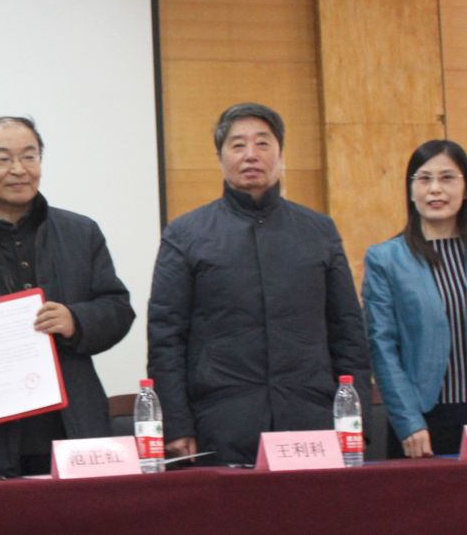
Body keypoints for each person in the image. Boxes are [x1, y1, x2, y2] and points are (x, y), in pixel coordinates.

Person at [147, 102, 371, 466]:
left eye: (263, 143)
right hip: (221, 420)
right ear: (220, 158)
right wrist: (175, 423)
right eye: (238, 145)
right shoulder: (186, 235)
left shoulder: (318, 231)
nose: (251, 154)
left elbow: (348, 331)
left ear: (281, 155)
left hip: (310, 417)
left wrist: (355, 420)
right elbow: (166, 337)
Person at [0, 116, 134, 478]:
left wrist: (76, 320)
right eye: (3, 159)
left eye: (29, 157)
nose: (19, 169)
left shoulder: (81, 233)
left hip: (72, 425)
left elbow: (118, 309)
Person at [363, 140, 467, 458]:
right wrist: (408, 422)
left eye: (447, 178)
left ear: (466, 190)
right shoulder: (386, 259)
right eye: (424, 179)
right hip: (421, 424)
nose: (435, 189)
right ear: (411, 191)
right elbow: (382, 348)